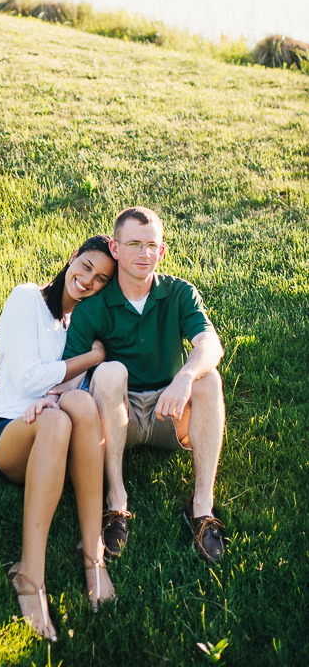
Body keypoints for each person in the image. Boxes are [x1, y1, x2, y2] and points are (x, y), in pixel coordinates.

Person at [61, 207, 226, 563]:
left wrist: (183, 378)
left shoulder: (179, 292)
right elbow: (71, 376)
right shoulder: (94, 307)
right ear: (116, 249)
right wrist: (48, 400)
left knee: (208, 378)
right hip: (120, 416)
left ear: (162, 251)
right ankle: (116, 503)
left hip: (171, 410)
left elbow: (211, 346)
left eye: (152, 245)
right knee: (109, 372)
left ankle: (202, 508)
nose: (143, 253)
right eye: (134, 244)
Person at [0, 236, 117, 641]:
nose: (87, 281)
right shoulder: (26, 300)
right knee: (55, 420)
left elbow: (78, 393)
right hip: (10, 432)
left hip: (59, 437)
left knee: (81, 409)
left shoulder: (82, 326)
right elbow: (26, 377)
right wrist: (90, 359)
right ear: (72, 258)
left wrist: (57, 396)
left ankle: (94, 557)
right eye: (86, 266)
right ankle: (29, 574)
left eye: (101, 279)